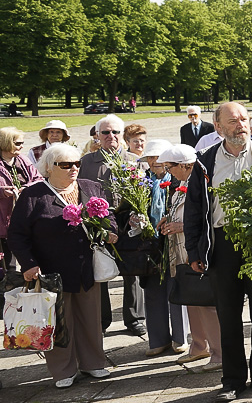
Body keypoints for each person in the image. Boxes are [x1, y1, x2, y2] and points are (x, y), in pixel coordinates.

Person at [184, 102, 252, 403]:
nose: (240, 124)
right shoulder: (205, 162)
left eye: (244, 119)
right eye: (233, 120)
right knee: (228, 315)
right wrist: (193, 249)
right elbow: (194, 209)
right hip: (222, 243)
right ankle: (233, 380)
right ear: (218, 127)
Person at [9, 143, 117, 387]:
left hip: (87, 268)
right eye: (66, 165)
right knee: (58, 322)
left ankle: (94, 364)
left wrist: (110, 231)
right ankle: (63, 370)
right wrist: (28, 264)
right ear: (48, 168)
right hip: (51, 272)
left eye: (77, 164)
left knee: (91, 319)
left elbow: (108, 215)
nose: (73, 169)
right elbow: (17, 234)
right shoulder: (34, 195)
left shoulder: (90, 186)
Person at [158, 144, 222, 372]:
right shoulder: (180, 185)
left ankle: (219, 352)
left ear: (186, 165)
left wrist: (181, 225)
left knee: (206, 303)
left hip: (195, 251)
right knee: (191, 300)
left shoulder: (201, 182)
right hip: (181, 251)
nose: (168, 172)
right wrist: (168, 220)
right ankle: (198, 345)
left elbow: (206, 218)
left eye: (171, 166)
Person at [79, 114, 144, 336]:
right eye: (105, 132)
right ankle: (102, 320)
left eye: (115, 132)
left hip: (128, 223)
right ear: (97, 135)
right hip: (101, 223)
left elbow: (142, 193)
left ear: (122, 135)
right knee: (102, 271)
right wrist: (100, 226)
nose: (111, 136)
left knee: (132, 272)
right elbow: (84, 195)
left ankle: (134, 318)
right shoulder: (87, 161)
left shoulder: (133, 160)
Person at [134, 140, 186, 356]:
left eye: (159, 157)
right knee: (153, 291)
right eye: (151, 158)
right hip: (150, 245)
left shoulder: (178, 182)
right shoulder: (139, 182)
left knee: (176, 289)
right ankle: (157, 339)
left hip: (173, 243)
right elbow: (126, 208)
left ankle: (180, 338)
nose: (155, 162)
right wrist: (134, 219)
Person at [1, 127, 41, 270]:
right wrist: (2, 192)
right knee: (6, 262)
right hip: (3, 218)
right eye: (18, 143)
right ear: (6, 143)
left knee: (28, 258)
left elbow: (39, 179)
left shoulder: (22, 159)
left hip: (24, 215)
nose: (22, 146)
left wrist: (28, 188)